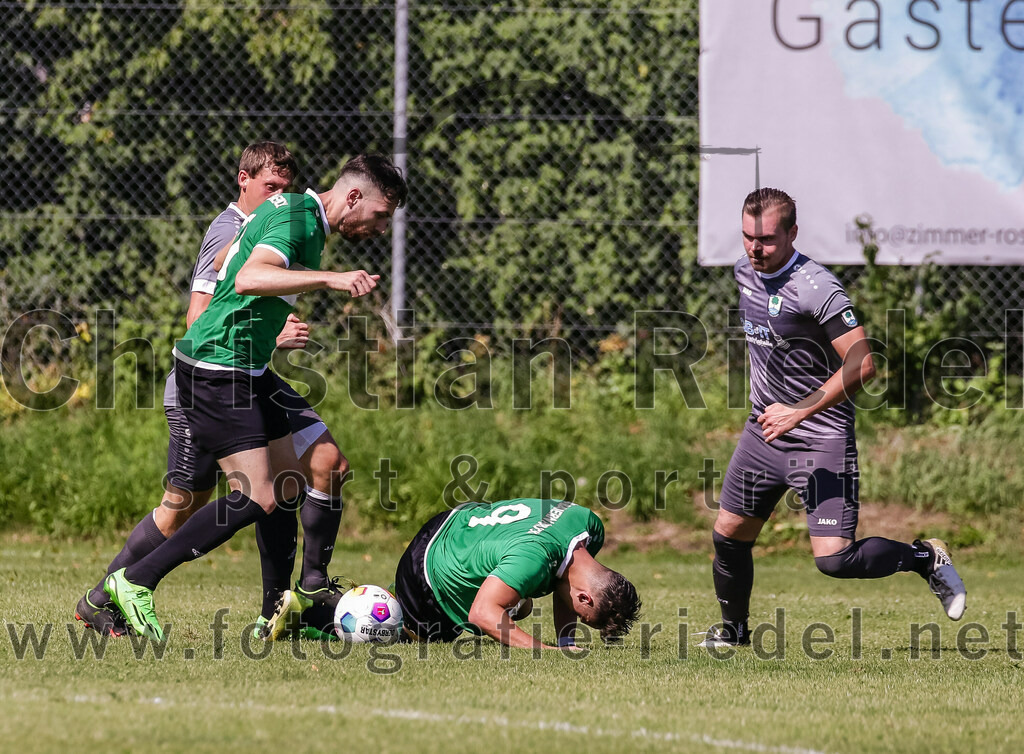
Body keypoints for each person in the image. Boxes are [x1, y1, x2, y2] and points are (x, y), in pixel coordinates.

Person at [102, 154, 408, 641]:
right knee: (255, 496)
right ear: (353, 197)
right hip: (217, 368)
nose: (380, 228)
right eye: (379, 215)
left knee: (288, 484)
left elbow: (228, 262)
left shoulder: (289, 208)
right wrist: (331, 278)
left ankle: (279, 610)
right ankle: (135, 580)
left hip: (247, 368)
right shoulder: (299, 220)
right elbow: (248, 277)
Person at [701, 187, 967, 648]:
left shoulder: (816, 287)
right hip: (764, 431)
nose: (755, 248)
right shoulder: (744, 271)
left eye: (766, 239)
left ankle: (925, 559)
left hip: (819, 437)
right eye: (748, 237)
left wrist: (798, 410)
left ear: (793, 234)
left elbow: (863, 364)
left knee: (835, 560)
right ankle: (734, 633)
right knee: (729, 536)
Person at [361, 498, 639, 649]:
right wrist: (545, 650)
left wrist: (566, 642)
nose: (576, 618)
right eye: (582, 615)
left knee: (522, 604)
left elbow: (566, 581)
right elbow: (482, 613)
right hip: (427, 571)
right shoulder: (534, 559)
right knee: (403, 634)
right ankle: (345, 611)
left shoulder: (589, 525)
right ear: (586, 598)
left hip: (458, 522)